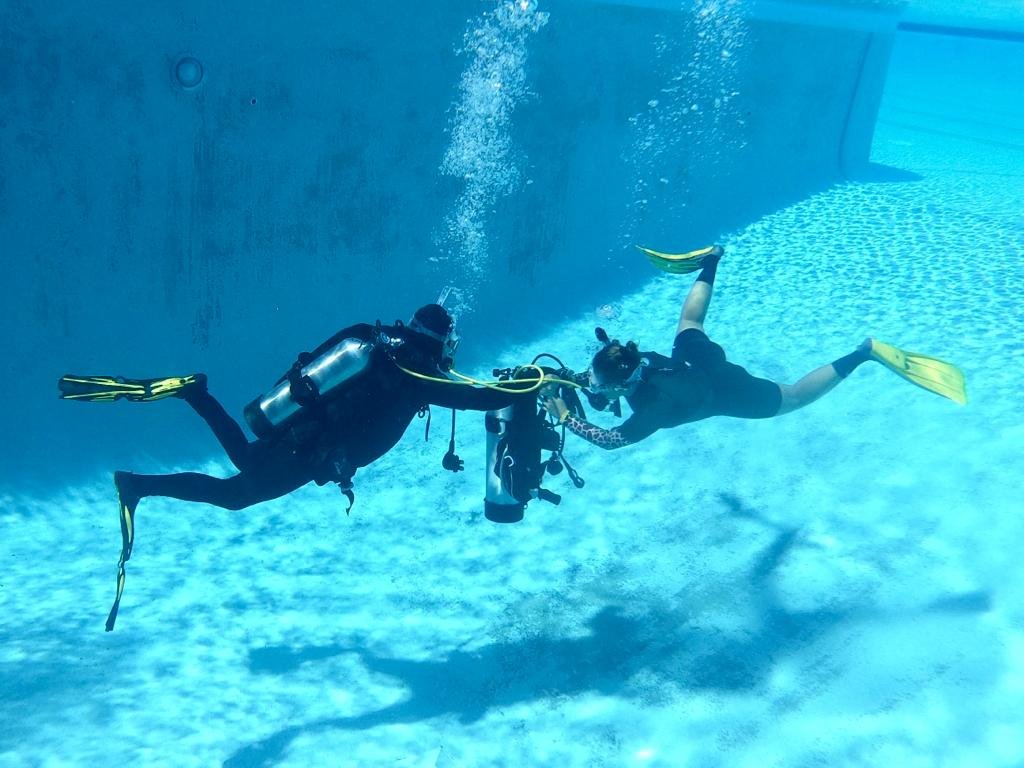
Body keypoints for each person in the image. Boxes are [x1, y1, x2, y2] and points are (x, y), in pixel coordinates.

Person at [60, 303, 529, 629]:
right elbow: (476, 398)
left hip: (303, 432)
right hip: (309, 450)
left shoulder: (379, 344)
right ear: (441, 342)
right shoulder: (415, 376)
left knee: (241, 471)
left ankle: (179, 419)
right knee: (235, 494)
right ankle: (153, 457)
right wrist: (534, 385)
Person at [543, 244, 966, 450]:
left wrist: (565, 418)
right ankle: (711, 259)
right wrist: (566, 378)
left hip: (725, 390)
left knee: (794, 397)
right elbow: (601, 379)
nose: (593, 386)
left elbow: (611, 440)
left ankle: (864, 352)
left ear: (621, 381)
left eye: (599, 384)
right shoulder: (634, 360)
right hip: (694, 361)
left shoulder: (653, 409)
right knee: (689, 323)